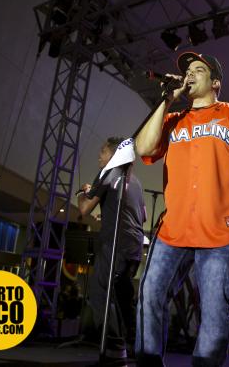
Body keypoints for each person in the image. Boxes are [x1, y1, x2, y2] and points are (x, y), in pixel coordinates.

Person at [134, 52, 229, 366]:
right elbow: (143, 147)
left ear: (215, 83)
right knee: (150, 294)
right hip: (173, 230)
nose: (190, 74)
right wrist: (166, 101)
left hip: (220, 231)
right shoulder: (173, 119)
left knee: (214, 310)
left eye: (199, 70)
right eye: (187, 70)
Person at [77, 136, 146, 360]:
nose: (99, 156)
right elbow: (142, 216)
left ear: (115, 155)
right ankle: (135, 345)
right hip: (134, 247)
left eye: (103, 151)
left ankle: (115, 348)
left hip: (115, 244)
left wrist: (83, 193)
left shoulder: (107, 173)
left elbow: (84, 209)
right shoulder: (136, 182)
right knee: (123, 296)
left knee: (99, 292)